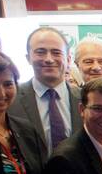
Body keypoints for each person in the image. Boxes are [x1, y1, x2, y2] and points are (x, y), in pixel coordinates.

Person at [10, 26, 75, 162]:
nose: (49, 59)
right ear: (28, 58)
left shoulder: (85, 99)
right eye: (40, 52)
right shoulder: (11, 100)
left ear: (68, 59)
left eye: (56, 52)